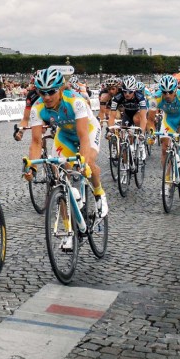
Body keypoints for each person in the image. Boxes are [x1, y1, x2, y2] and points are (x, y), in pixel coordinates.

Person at [26, 68, 108, 234]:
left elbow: (84, 137)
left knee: (88, 164)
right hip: (65, 135)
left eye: (51, 92)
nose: (47, 97)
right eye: (43, 92)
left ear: (61, 89)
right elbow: (36, 141)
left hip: (88, 131)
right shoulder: (37, 107)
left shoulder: (75, 101)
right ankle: (68, 229)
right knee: (60, 177)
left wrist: (83, 162)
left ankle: (99, 194)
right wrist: (32, 167)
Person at [147, 74, 180, 176]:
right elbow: (150, 120)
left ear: (175, 90)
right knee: (164, 148)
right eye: (164, 92)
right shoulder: (155, 98)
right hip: (169, 119)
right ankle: (166, 179)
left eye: (170, 92)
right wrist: (152, 134)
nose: (167, 95)